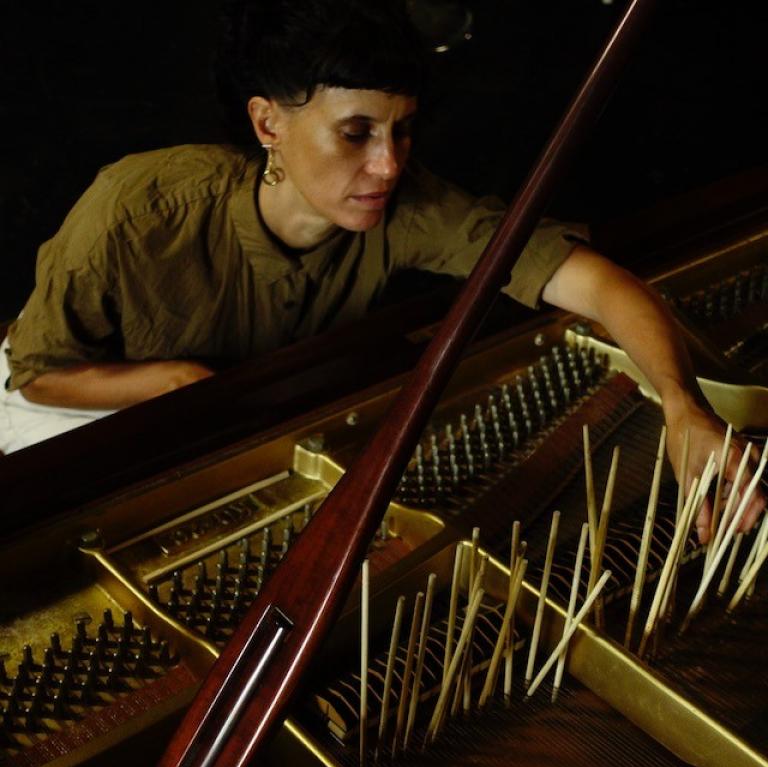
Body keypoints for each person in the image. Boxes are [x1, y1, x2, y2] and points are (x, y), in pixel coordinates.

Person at [1, 0, 763, 539]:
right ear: (269, 123)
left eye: (401, 132)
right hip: (80, 416)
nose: (388, 164)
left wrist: (679, 403)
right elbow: (37, 372)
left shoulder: (407, 205)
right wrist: (178, 385)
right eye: (357, 133)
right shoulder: (139, 205)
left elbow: (594, 282)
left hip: (240, 418)